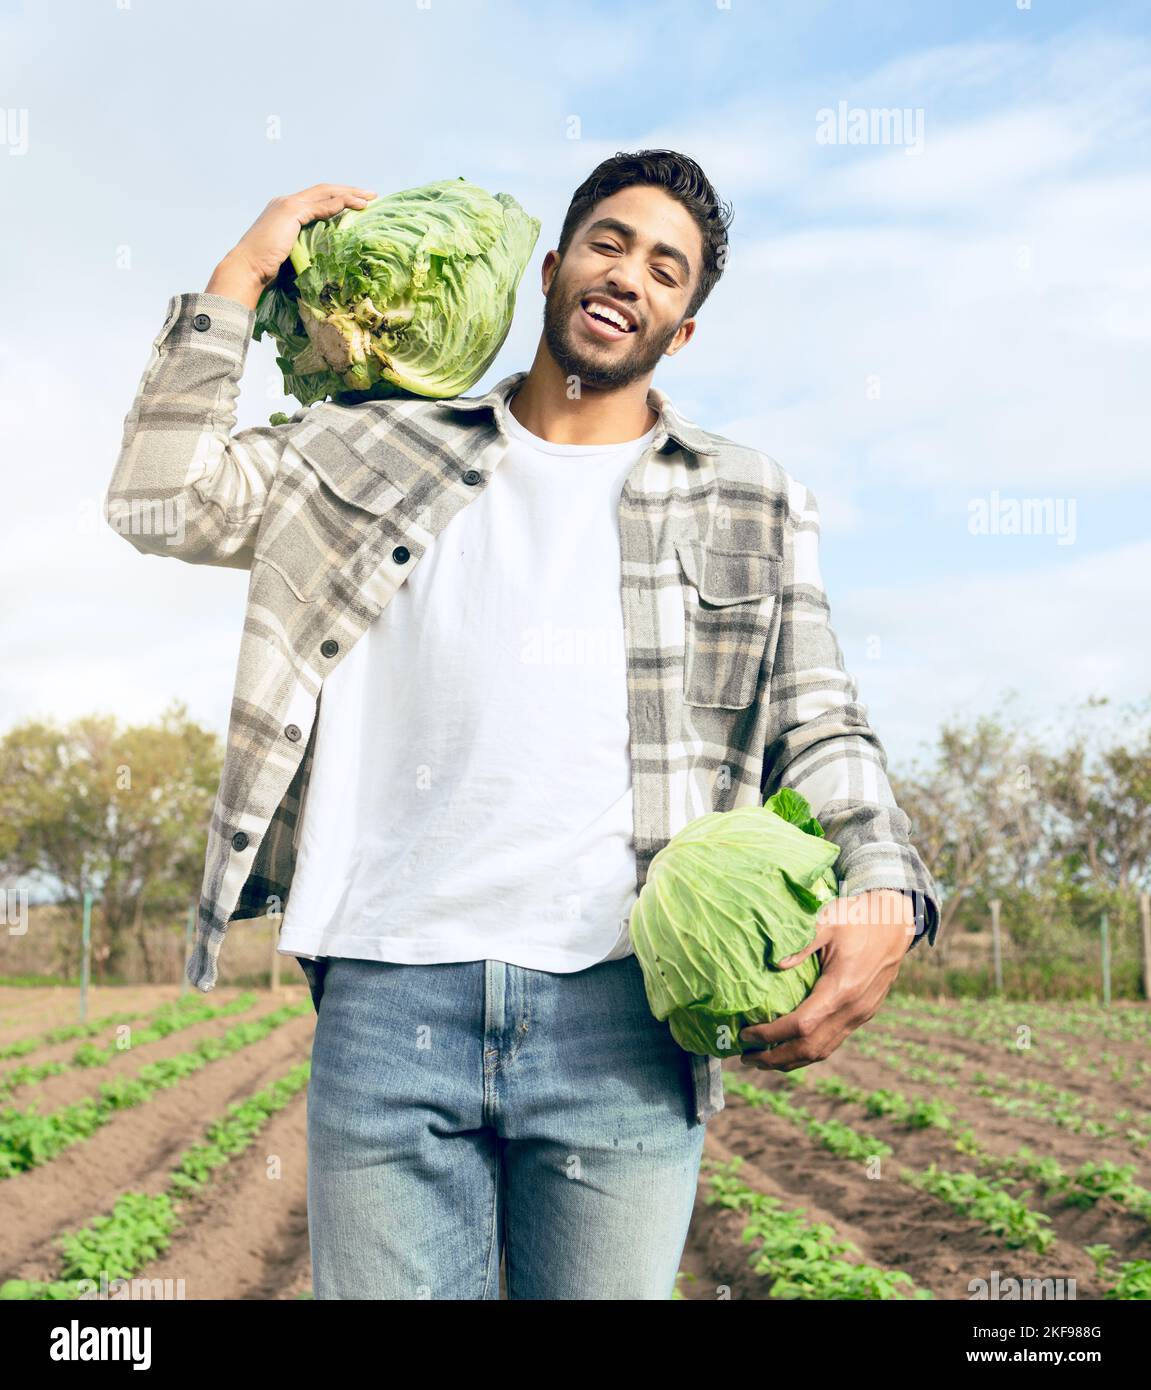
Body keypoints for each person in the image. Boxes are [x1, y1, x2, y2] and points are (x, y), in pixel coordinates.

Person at [105, 149, 941, 1300]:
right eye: (606, 241)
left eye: (664, 267)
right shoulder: (370, 442)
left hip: (620, 1015)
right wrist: (242, 275)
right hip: (390, 998)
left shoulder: (746, 491)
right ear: (551, 268)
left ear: (680, 329)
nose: (627, 274)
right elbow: (162, 497)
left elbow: (820, 720)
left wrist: (888, 885)